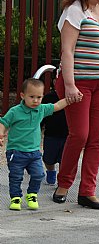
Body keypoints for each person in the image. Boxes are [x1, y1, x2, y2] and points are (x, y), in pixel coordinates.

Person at [53, 0, 99, 210]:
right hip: (77, 82)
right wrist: (69, 85)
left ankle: (87, 192)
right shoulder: (75, 11)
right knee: (80, 135)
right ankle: (64, 184)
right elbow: (67, 50)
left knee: (97, 138)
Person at [0, 79, 70, 210]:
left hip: (34, 152)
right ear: (22, 96)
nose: (36, 100)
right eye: (32, 97)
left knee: (38, 174)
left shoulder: (41, 109)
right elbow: (3, 122)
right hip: (16, 152)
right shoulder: (15, 111)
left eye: (39, 97)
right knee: (16, 177)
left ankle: (32, 194)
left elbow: (57, 106)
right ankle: (15, 198)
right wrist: (1, 133)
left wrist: (69, 99)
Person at [41, 85, 69, 186]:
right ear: (54, 82)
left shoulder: (73, 96)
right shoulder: (49, 97)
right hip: (51, 133)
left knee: (65, 159)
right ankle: (51, 171)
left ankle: (62, 178)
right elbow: (42, 115)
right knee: (48, 158)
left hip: (68, 134)